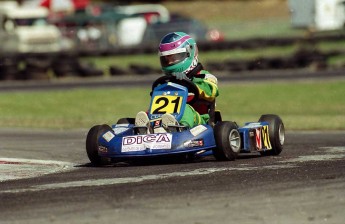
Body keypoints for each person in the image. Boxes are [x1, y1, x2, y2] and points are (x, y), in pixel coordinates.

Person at [135, 32, 219, 133]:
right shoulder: (167, 81)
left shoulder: (205, 76)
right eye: (166, 59)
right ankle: (147, 128)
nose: (170, 63)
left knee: (184, 110)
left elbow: (211, 91)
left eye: (174, 58)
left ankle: (176, 128)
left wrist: (187, 83)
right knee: (151, 112)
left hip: (199, 121)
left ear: (189, 53)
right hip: (166, 116)